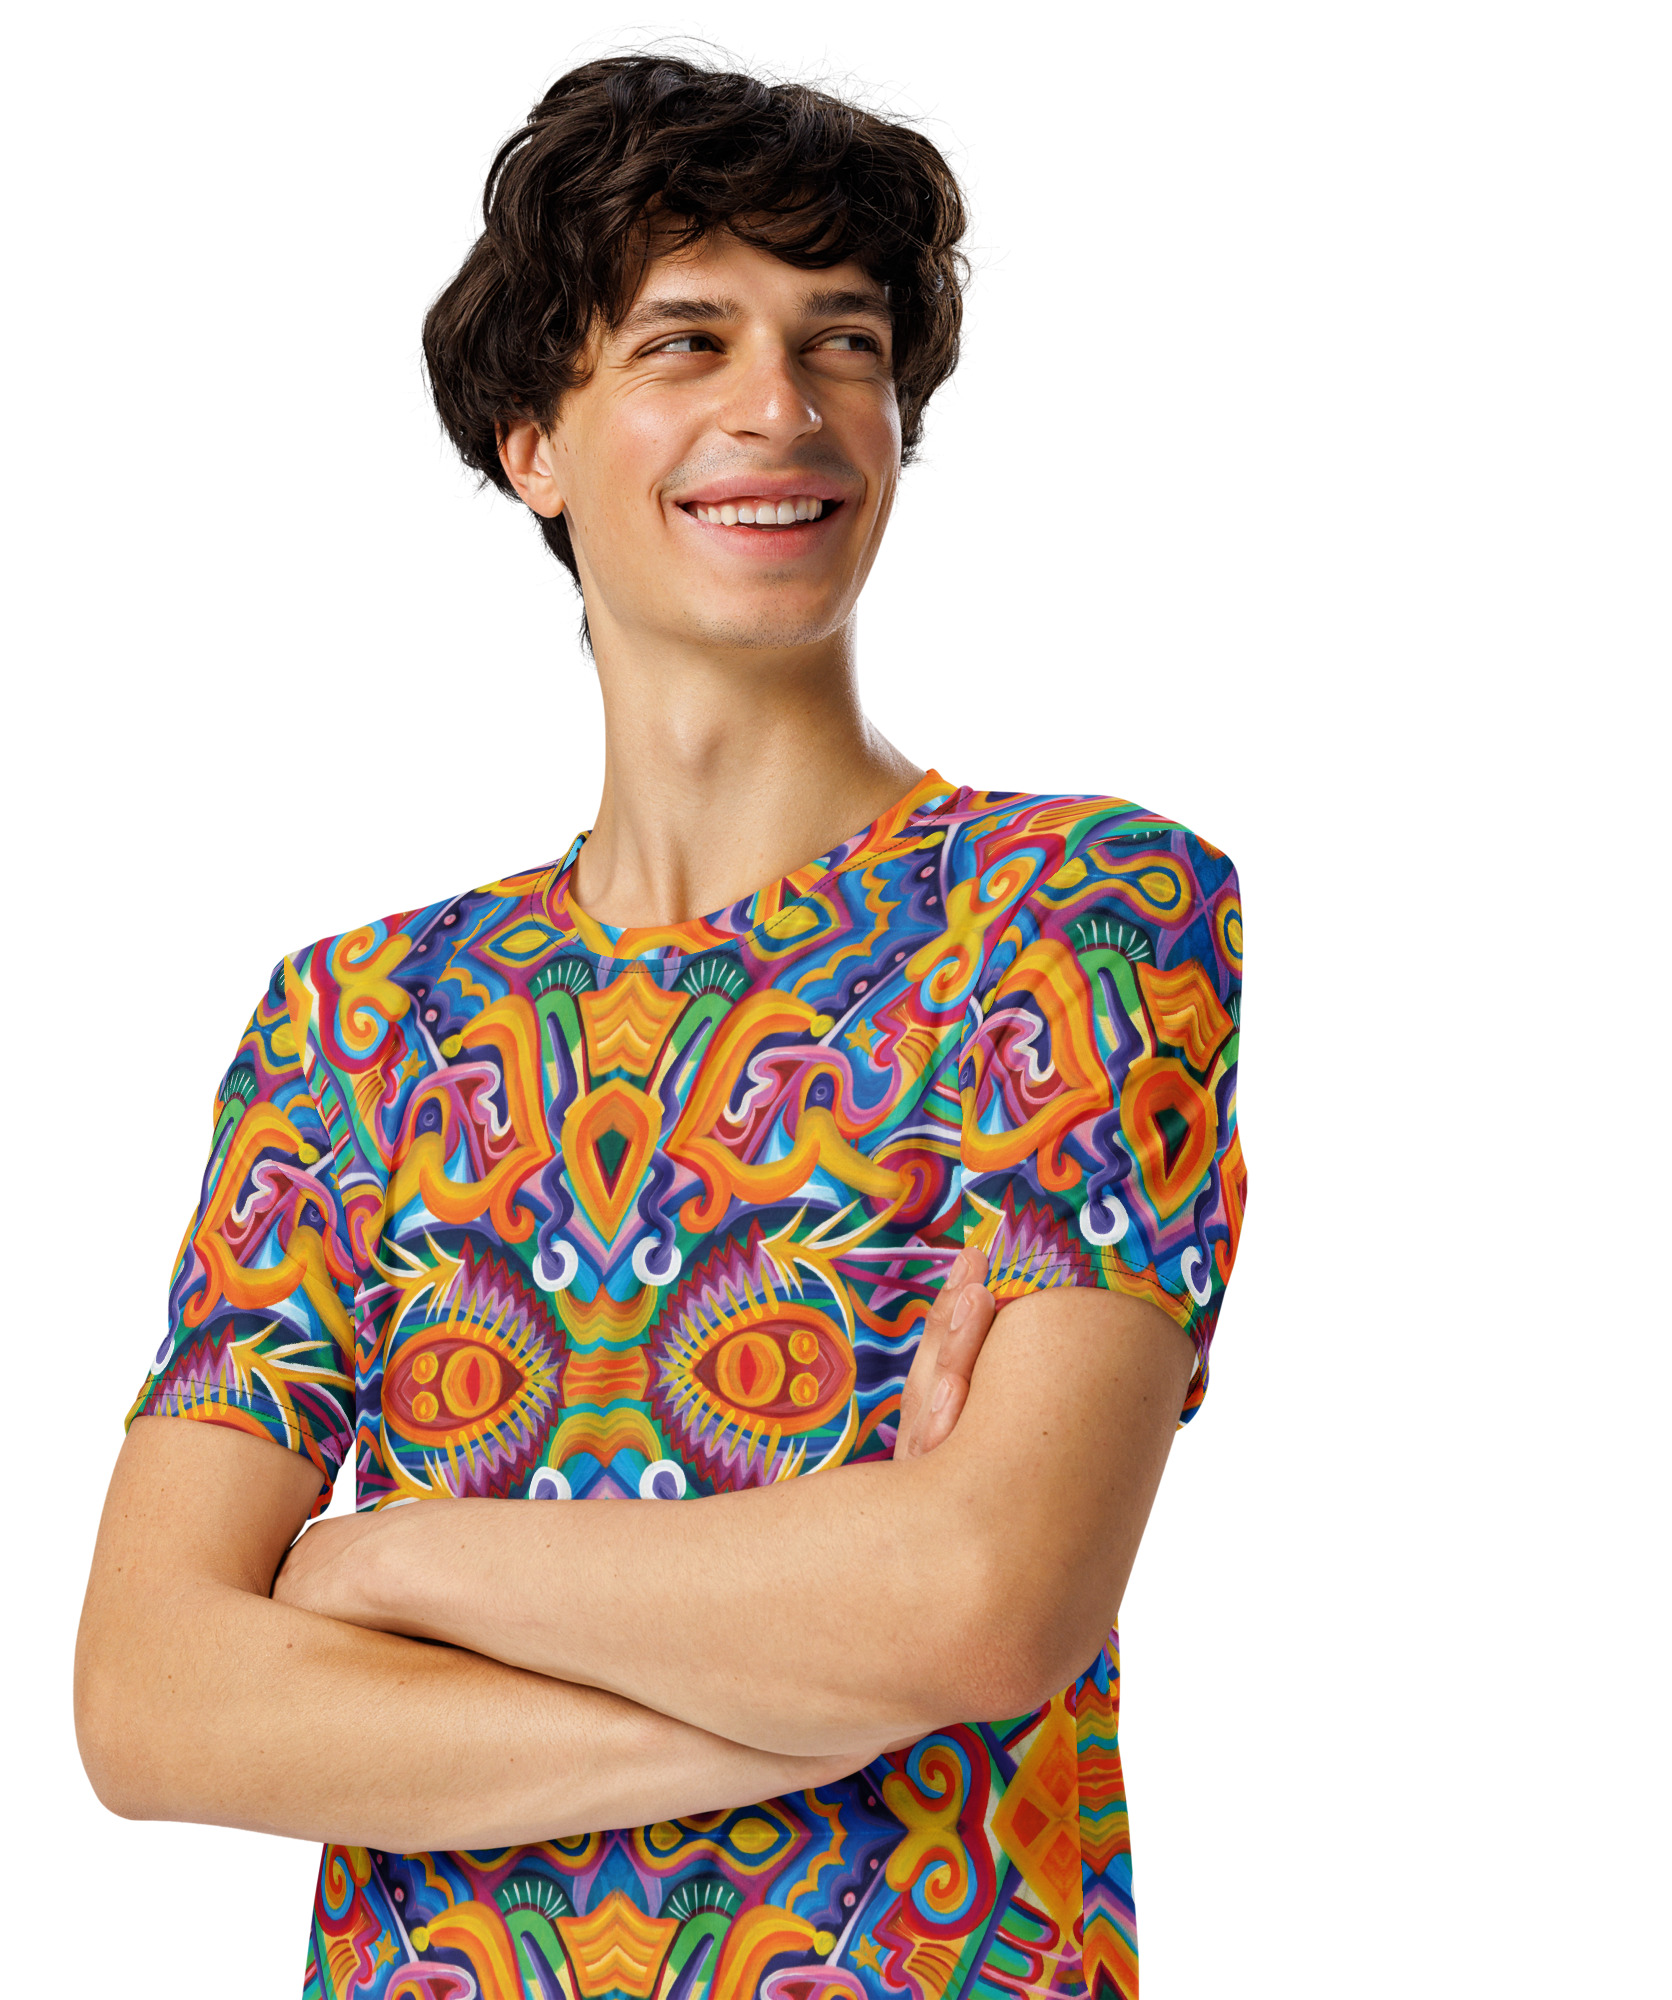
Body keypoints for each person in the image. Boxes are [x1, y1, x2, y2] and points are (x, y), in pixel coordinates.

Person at [74, 52, 1247, 2000]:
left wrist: (386, 1562)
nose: (781, 408)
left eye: (842, 343)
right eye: (687, 341)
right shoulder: (358, 1024)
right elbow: (150, 1697)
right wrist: (810, 1696)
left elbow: (985, 1596)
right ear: (533, 439)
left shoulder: (1078, 918)